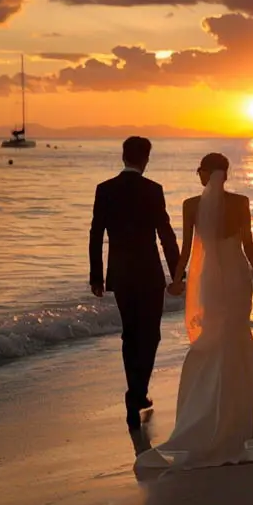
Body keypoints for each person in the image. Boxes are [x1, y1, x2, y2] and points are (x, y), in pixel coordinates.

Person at [135, 152, 253, 469]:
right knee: (236, 338)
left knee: (215, 341)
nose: (199, 176)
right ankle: (245, 412)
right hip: (237, 277)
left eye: (200, 170)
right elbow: (249, 245)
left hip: (212, 280)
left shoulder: (191, 205)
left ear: (208, 173)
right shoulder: (240, 202)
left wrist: (177, 281)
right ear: (224, 175)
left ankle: (218, 413)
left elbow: (186, 250)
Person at [90, 137, 181, 431]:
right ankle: (137, 394)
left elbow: (95, 234)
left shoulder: (105, 190)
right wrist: (178, 273)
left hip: (121, 274)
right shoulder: (152, 190)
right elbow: (165, 233)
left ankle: (136, 395)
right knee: (150, 334)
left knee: (130, 335)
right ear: (146, 159)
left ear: (123, 157)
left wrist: (97, 275)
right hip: (149, 273)